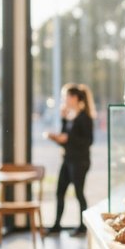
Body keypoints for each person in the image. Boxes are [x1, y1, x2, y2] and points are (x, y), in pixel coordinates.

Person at [44, 83, 95, 236]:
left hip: (80, 161)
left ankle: (82, 226)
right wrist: (63, 122)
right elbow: (64, 136)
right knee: (60, 192)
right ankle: (56, 225)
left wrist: (68, 138)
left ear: (74, 98)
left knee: (79, 193)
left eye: (65, 96)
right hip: (68, 160)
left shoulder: (84, 117)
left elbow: (88, 141)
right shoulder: (71, 117)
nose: (63, 100)